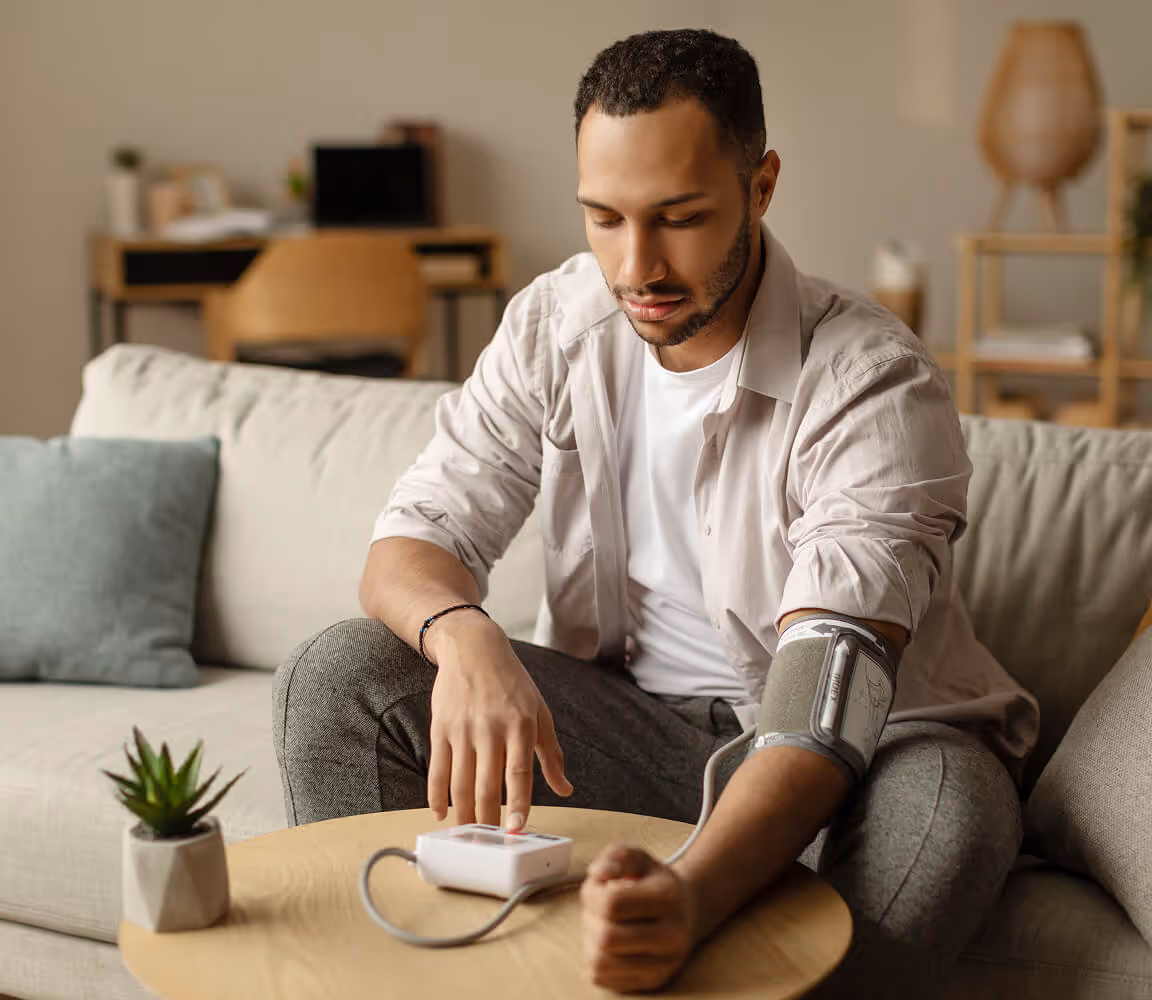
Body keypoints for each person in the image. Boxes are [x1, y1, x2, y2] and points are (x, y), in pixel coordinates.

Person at [273, 28, 1039, 997]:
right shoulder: (556, 322)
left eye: (678, 217)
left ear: (759, 187)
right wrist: (464, 635)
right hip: (636, 724)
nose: (636, 264)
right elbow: (411, 542)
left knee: (953, 811)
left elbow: (825, 693)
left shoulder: (873, 380)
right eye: (604, 218)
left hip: (870, 744)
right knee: (344, 671)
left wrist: (692, 898)